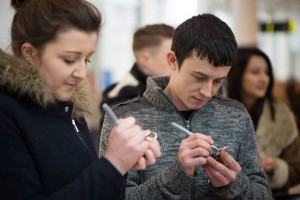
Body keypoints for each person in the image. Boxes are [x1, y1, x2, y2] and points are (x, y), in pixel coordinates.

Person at [100, 13, 272, 199]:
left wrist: (234, 184)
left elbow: (263, 194)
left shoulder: (236, 115)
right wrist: (176, 176)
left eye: (218, 81)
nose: (207, 92)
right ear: (173, 61)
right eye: (199, 77)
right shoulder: (126, 119)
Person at [0, 0, 161, 199]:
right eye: (69, 59)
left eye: (87, 60)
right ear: (29, 53)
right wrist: (113, 164)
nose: (81, 73)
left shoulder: (68, 108)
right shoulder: (7, 113)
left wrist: (121, 164)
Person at [226, 47, 300, 199]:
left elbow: (297, 168)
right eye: (255, 72)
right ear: (238, 74)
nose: (264, 79)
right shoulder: (216, 111)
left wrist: (274, 166)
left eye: (267, 73)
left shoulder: (282, 116)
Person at [99, 24, 174, 130]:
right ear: (145, 60)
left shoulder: (163, 90)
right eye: (170, 59)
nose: (176, 65)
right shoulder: (121, 99)